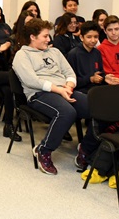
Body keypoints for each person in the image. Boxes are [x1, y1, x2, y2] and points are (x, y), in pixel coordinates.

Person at [12, 19, 100, 175]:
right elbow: (31, 80)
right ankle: (43, 150)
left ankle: (86, 148)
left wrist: (69, 86)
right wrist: (59, 90)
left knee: (99, 109)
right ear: (33, 37)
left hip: (64, 90)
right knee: (67, 112)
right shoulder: (22, 55)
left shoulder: (55, 52)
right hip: (39, 93)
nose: (49, 39)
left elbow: (69, 73)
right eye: (45, 36)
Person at [67, 21, 105, 95]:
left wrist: (104, 78)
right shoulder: (73, 54)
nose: (93, 40)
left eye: (96, 37)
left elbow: (101, 72)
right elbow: (70, 80)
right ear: (81, 37)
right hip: (80, 91)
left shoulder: (97, 53)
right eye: (89, 37)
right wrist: (90, 79)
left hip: (96, 89)